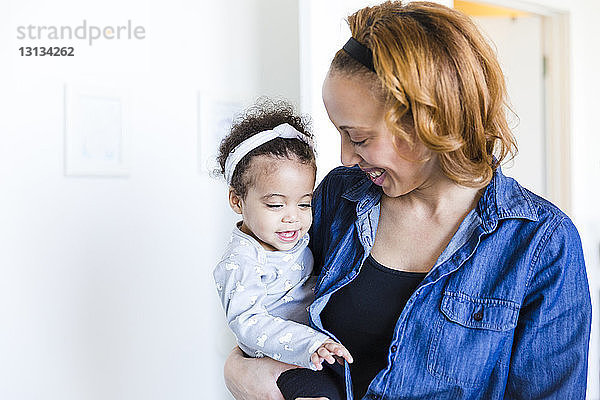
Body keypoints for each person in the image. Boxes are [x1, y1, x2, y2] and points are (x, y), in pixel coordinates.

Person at [222, 2, 592, 399]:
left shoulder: (540, 243)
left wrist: (248, 378)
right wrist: (244, 374)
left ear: (430, 123)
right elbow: (263, 330)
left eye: (359, 138)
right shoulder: (337, 199)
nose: (346, 156)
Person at [214, 99, 352, 400]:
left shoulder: (294, 235)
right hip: (281, 362)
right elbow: (249, 325)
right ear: (237, 201)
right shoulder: (241, 261)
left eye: (304, 203)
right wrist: (309, 344)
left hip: (317, 352)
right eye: (275, 204)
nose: (293, 216)